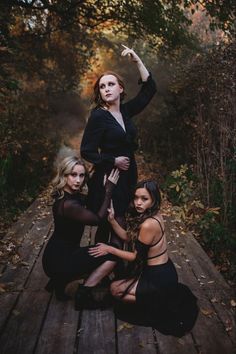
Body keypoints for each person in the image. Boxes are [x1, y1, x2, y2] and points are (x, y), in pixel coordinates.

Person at [89, 180, 199, 337]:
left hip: (158, 276)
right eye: (136, 198)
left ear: (154, 199)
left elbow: (134, 256)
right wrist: (112, 220)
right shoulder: (152, 214)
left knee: (114, 290)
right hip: (159, 271)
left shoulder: (149, 224)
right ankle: (156, 296)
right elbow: (130, 238)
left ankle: (157, 301)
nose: (138, 203)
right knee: (117, 284)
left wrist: (109, 248)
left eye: (144, 199)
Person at [80, 45, 157, 248]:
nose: (106, 89)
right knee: (110, 221)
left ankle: (113, 269)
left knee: (119, 221)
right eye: (102, 86)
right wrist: (112, 160)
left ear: (120, 88)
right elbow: (86, 151)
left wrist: (137, 61)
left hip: (128, 174)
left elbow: (149, 90)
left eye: (111, 84)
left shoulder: (125, 111)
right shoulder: (98, 116)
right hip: (109, 177)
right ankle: (103, 270)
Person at [42, 155, 119, 305]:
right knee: (113, 254)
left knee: (93, 256)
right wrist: (109, 189)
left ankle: (58, 281)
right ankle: (83, 293)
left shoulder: (69, 196)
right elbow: (97, 220)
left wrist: (98, 180)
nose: (78, 180)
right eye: (73, 175)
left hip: (56, 255)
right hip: (59, 260)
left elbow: (89, 201)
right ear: (64, 175)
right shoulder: (69, 205)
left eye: (81, 175)